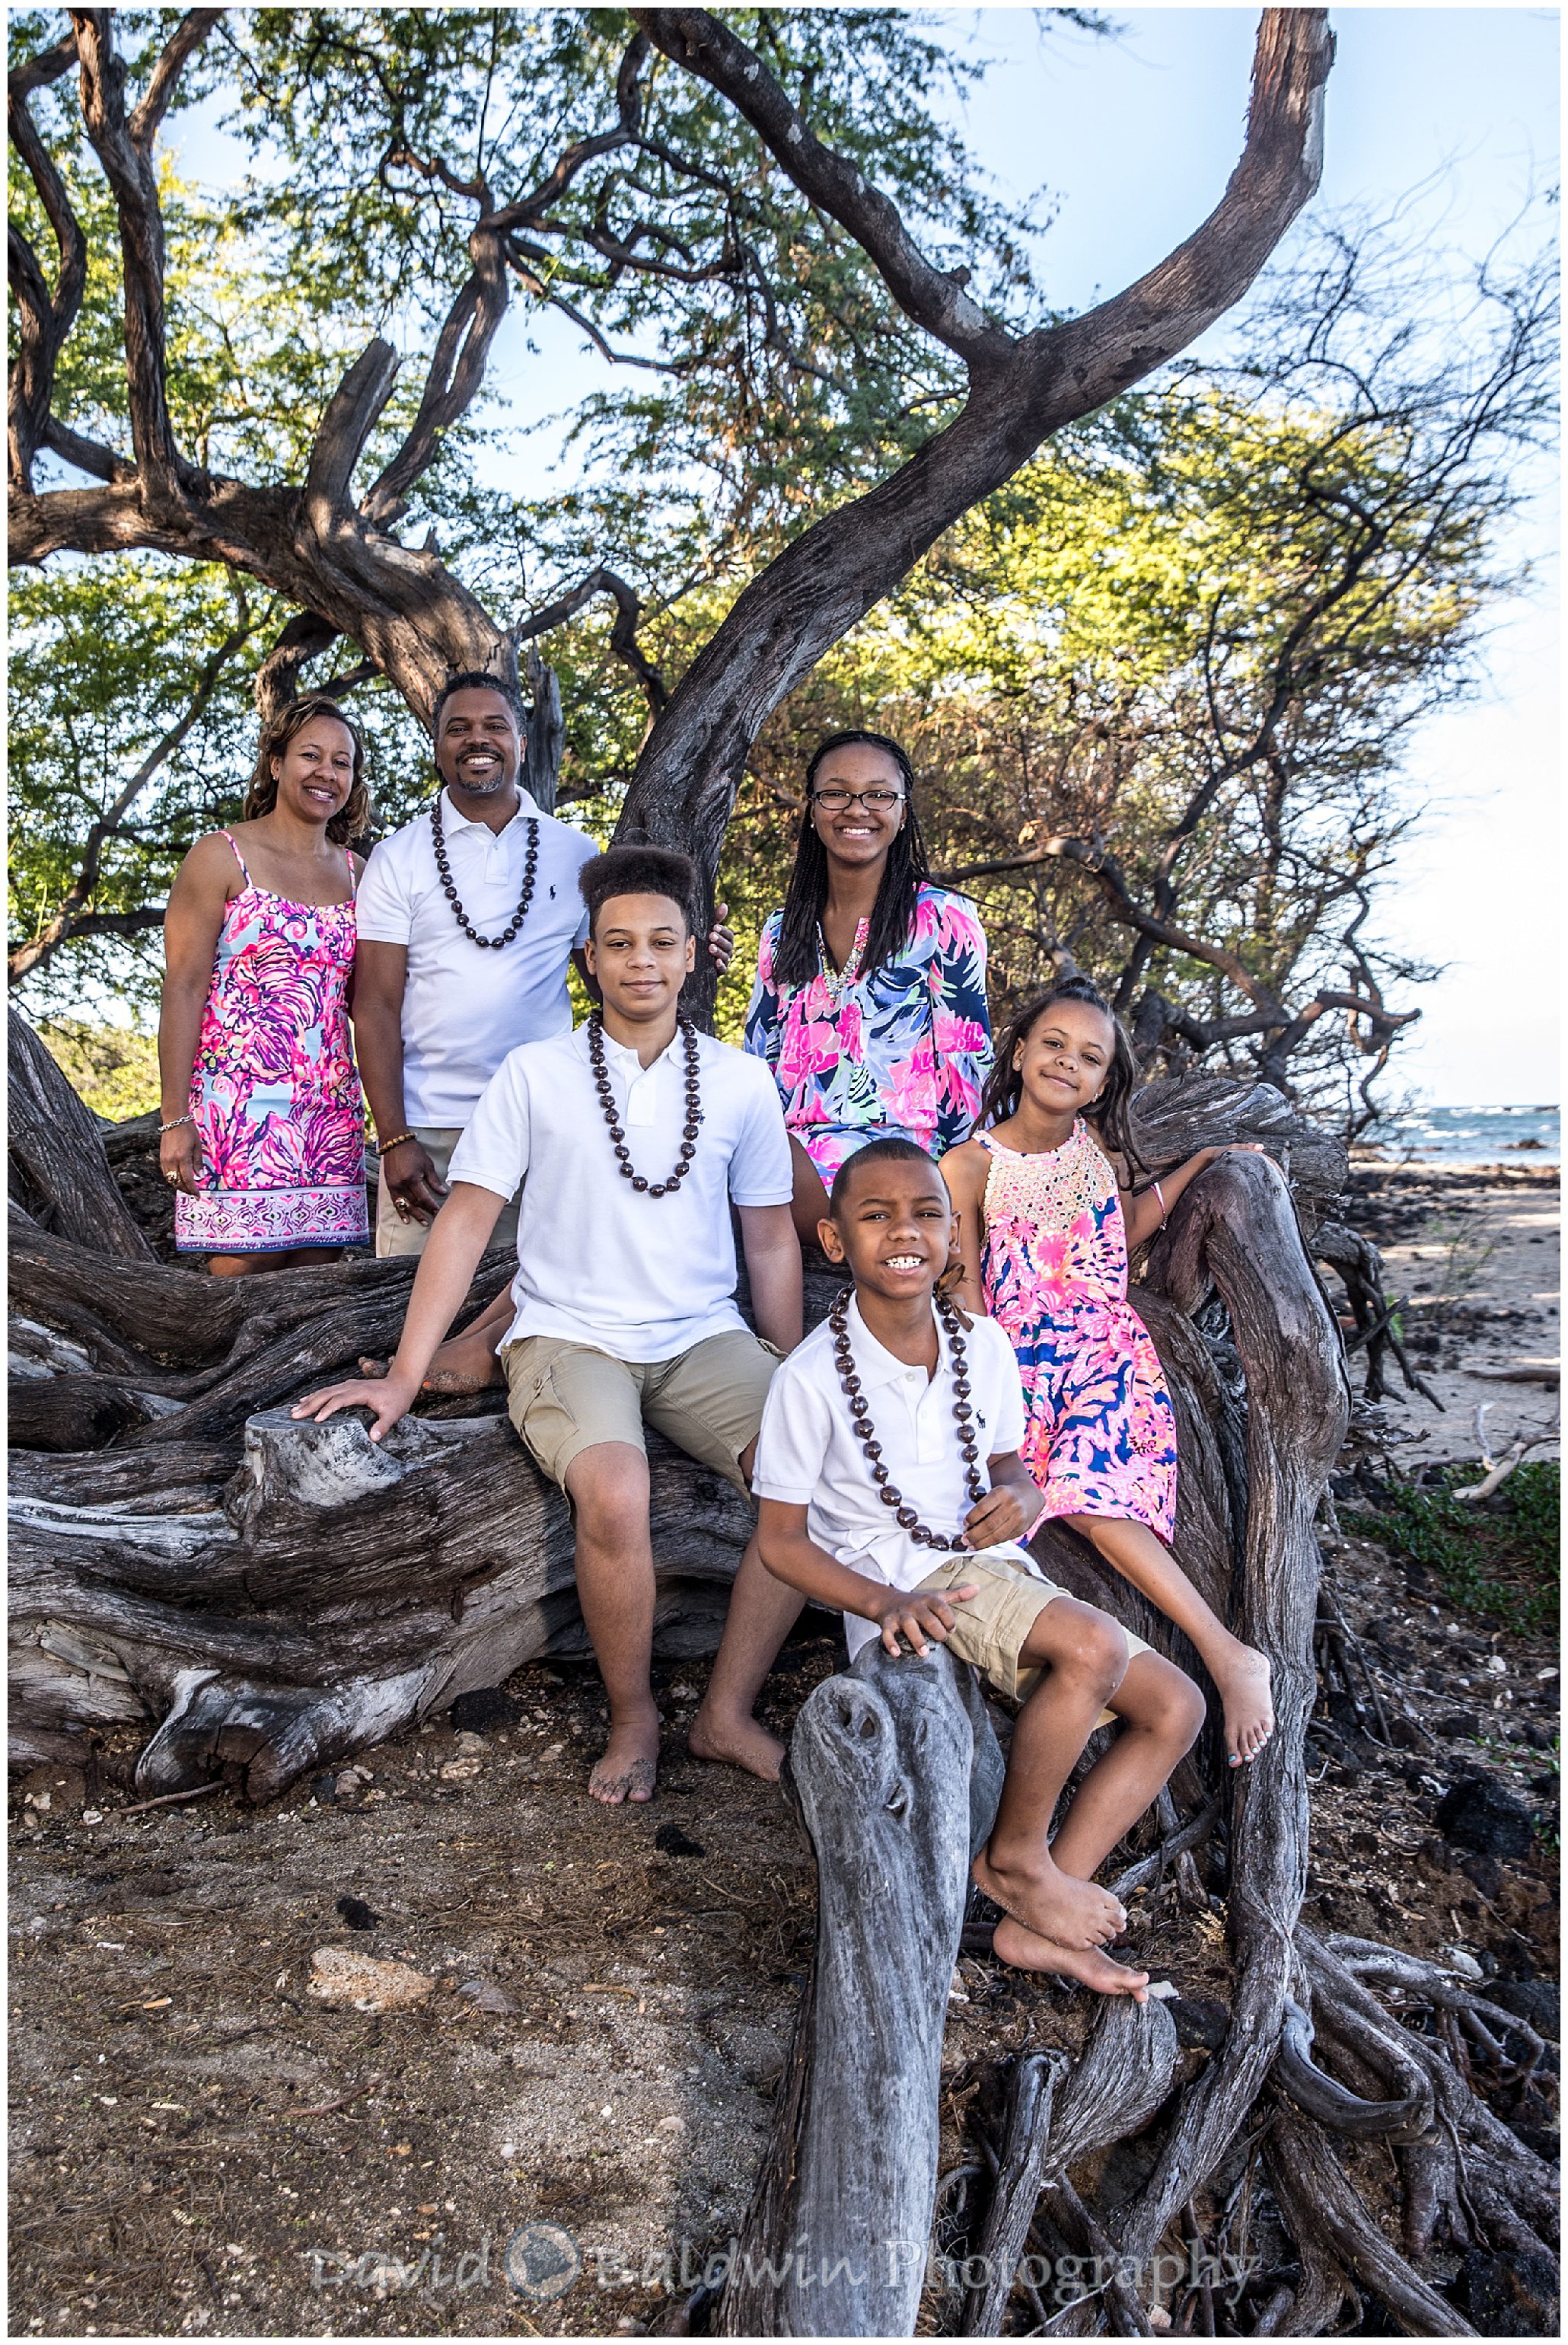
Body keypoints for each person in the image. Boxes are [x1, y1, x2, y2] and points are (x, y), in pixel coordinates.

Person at [294, 845, 805, 1804]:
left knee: (806, 1468)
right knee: (613, 1489)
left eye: (661, 941)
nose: (640, 960)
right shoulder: (536, 1073)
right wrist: (404, 1373)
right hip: (566, 1333)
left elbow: (771, 1241)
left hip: (701, 1334)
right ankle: (633, 1714)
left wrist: (790, 1364)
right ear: (589, 959)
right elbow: (465, 1221)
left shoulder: (739, 1080)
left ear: (694, 954)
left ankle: (725, 1710)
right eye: (618, 943)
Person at [753, 1137, 1205, 1992]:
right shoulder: (809, 1379)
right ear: (832, 1240)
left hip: (994, 1567)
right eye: (875, 1214)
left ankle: (1038, 1915)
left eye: (925, 1211)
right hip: (908, 1578)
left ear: (953, 1237)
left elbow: (1007, 1468)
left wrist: (1026, 1497)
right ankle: (1016, 1861)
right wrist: (879, 1598)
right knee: (1094, 1648)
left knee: (1175, 1705)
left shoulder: (984, 1347)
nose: (904, 1231)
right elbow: (780, 1542)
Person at [940, 975, 1275, 1768]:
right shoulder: (968, 1162)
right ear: (1018, 1052)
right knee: (1008, 1506)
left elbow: (1118, 1232)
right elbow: (962, 1284)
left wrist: (1199, 1161)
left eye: (1089, 1056)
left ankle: (1226, 1653)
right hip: (1017, 1357)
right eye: (1052, 1043)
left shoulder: (1094, 1150)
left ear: (1102, 1080)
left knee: (1090, 1502)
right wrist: (994, 1382)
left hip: (1105, 1352)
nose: (1067, 1062)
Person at [744, 729, 993, 1247]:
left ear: (902, 813)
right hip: (793, 1160)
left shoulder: (943, 918)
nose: (857, 809)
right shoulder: (779, 931)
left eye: (879, 795)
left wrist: (957, 1197)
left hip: (904, 1163)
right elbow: (755, 1066)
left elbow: (969, 1067)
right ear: (812, 811)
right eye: (836, 793)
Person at [159, 694, 371, 1274]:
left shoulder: (361, 876)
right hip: (236, 1111)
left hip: (328, 1112)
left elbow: (369, 1007)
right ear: (276, 763)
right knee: (239, 1287)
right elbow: (182, 989)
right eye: (310, 755)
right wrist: (175, 1119)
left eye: (342, 761)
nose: (327, 772)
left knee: (314, 1295)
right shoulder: (220, 856)